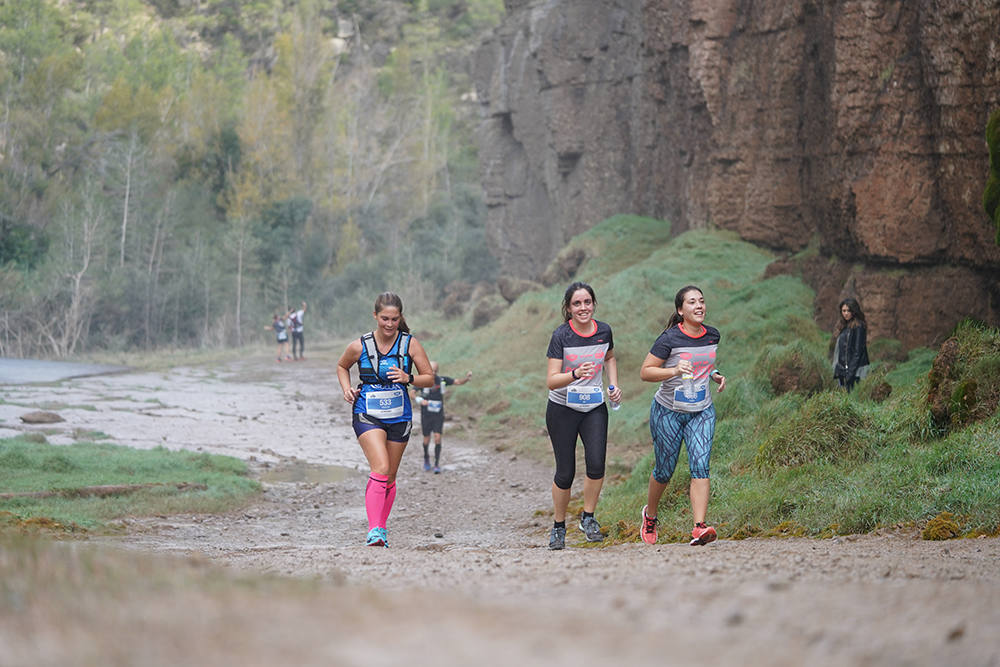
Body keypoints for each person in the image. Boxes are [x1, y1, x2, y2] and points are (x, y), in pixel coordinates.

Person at [336, 292, 433, 547]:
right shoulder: (360, 345)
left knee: (389, 476)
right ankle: (376, 530)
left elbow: (429, 378)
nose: (389, 324)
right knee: (380, 467)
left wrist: (407, 377)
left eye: (394, 319)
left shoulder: (409, 344)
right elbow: (342, 366)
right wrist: (346, 388)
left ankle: (381, 526)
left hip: (399, 415)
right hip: (367, 413)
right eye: (384, 319)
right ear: (375, 316)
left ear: (400, 318)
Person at [638, 285, 726, 547]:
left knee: (701, 465)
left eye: (701, 301)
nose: (699, 306)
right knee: (664, 470)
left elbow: (704, 364)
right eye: (692, 302)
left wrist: (715, 374)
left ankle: (699, 527)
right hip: (669, 412)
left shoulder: (712, 335)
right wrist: (674, 370)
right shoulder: (669, 339)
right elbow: (646, 372)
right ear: (680, 310)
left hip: (701, 412)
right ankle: (650, 515)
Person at [544, 281, 622, 550]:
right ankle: (558, 526)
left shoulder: (604, 331)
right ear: (568, 308)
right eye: (577, 303)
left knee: (597, 464)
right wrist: (575, 374)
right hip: (562, 409)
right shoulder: (561, 336)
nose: (583, 308)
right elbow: (552, 381)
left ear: (594, 304)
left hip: (594, 408)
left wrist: (612, 385)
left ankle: (588, 518)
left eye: (587, 302)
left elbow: (609, 357)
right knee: (565, 473)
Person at [413, 361, 472, 474]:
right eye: (431, 371)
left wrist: (467, 379)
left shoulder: (442, 380)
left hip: (438, 415)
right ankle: (426, 458)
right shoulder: (422, 381)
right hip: (426, 415)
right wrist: (419, 400)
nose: (433, 373)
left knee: (437, 438)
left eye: (435, 371)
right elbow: (412, 392)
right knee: (426, 439)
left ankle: (436, 464)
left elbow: (458, 382)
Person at [833, 296, 870, 392]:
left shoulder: (859, 326)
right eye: (843, 311)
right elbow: (841, 351)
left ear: (854, 311)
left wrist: (850, 374)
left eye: (848, 311)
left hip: (856, 371)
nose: (845, 313)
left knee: (854, 399)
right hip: (843, 370)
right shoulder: (844, 326)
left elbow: (858, 352)